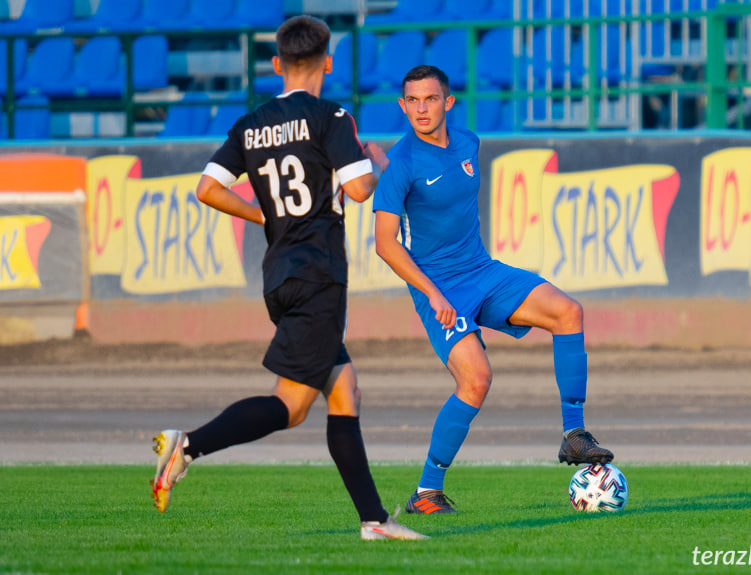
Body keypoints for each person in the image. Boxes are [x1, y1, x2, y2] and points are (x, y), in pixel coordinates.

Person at [151, 16, 426, 541]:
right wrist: (375, 158)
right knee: (291, 406)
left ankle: (374, 520)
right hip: (320, 274)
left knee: (344, 390)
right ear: (328, 61)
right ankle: (185, 445)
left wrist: (263, 216)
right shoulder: (331, 116)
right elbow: (363, 190)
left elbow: (207, 189)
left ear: (277, 64)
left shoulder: (251, 123)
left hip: (278, 275)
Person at [371, 65, 614, 515]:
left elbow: (436, 193)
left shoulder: (469, 144)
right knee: (477, 380)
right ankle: (427, 493)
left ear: (448, 102)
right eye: (412, 101)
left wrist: (381, 163)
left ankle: (574, 436)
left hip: (483, 271)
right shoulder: (402, 164)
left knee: (569, 313)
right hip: (437, 288)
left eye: (430, 99)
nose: (421, 109)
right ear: (402, 105)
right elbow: (386, 245)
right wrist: (434, 294)